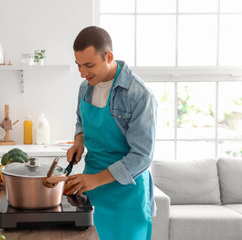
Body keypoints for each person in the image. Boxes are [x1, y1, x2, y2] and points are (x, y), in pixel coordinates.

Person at [64, 26, 157, 240]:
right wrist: (79, 140)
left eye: (89, 65)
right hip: (92, 191)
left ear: (109, 56)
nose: (83, 73)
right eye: (79, 65)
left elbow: (142, 156)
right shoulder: (85, 87)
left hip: (127, 197)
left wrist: (95, 179)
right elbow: (81, 120)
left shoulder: (140, 95)